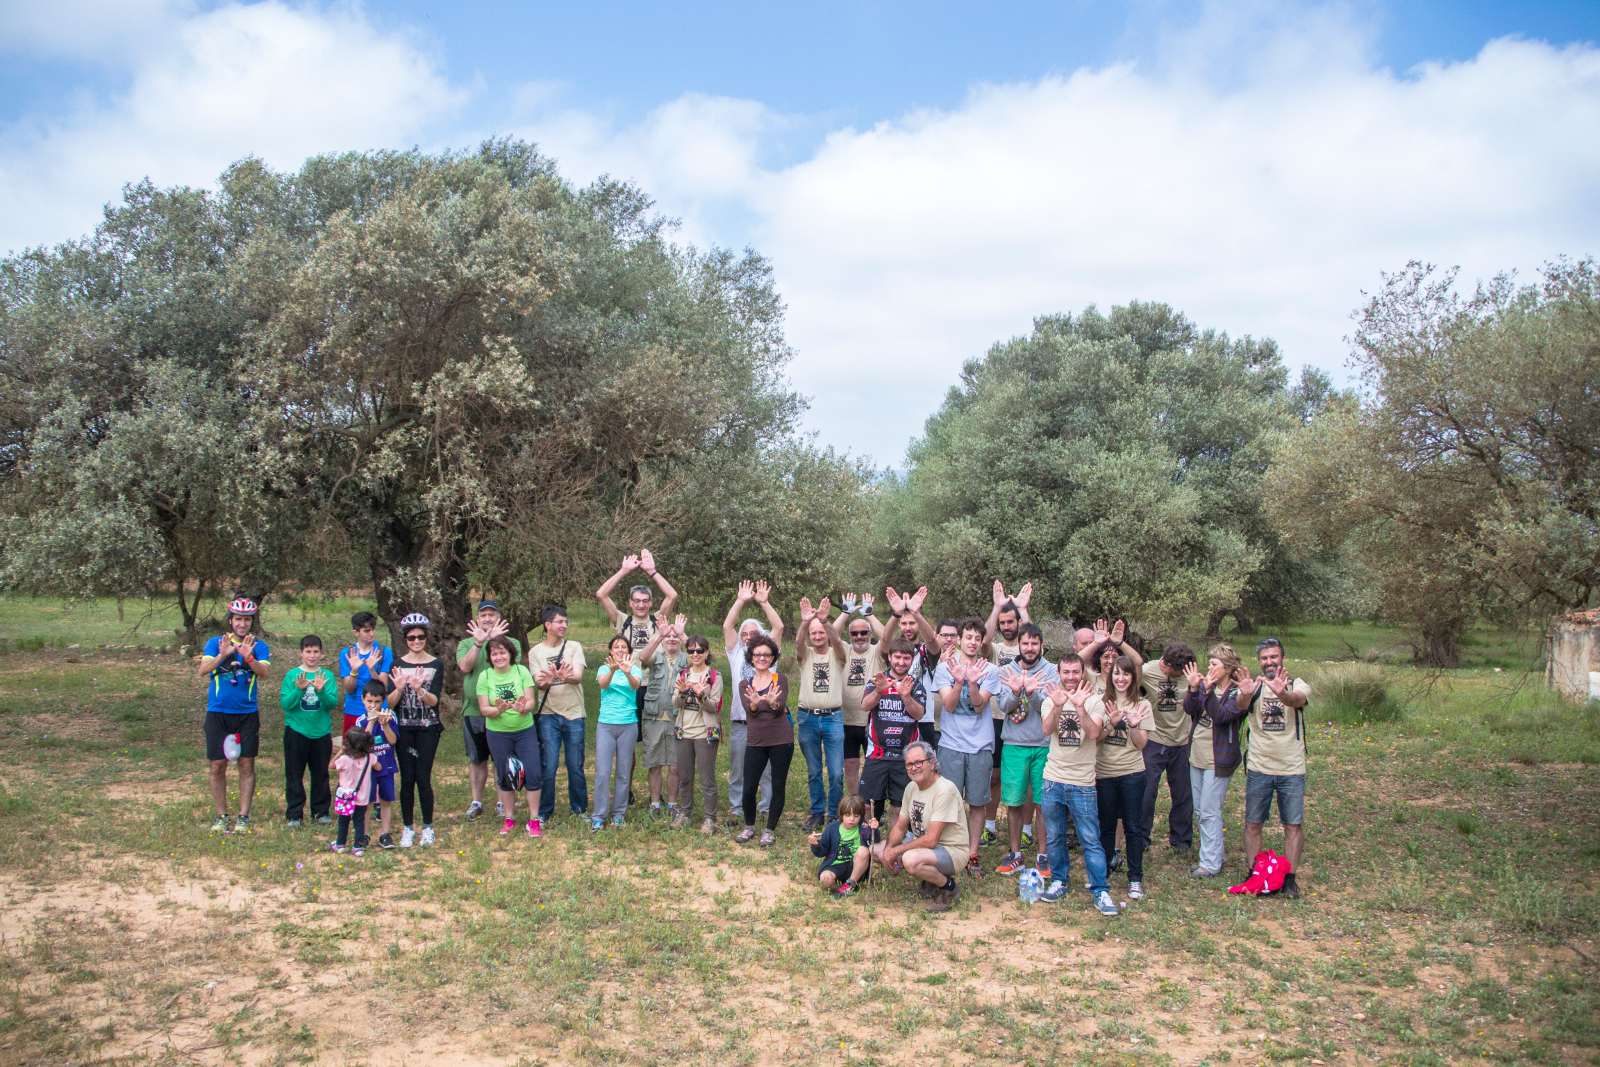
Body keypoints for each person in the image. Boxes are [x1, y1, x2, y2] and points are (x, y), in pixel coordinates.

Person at [1038, 655, 1120, 915]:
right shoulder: (1052, 697)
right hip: (1053, 779)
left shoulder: (1094, 700)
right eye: (1066, 672)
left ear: (1083, 672)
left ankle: (1100, 889)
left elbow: (1094, 734)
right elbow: (1046, 728)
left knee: (1089, 839)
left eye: (1075, 671)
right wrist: (1059, 706)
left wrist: (1081, 708)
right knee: (1055, 836)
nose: (1071, 676)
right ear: (1059, 673)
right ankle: (1059, 880)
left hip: (1083, 782)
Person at [1241, 637, 1312, 898]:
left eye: (1274, 657)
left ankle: (1290, 878)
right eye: (1264, 658)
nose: (1269, 662)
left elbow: (1297, 699)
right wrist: (1246, 695)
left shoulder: (1296, 684)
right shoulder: (1253, 686)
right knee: (1253, 823)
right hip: (1260, 766)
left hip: (1291, 768)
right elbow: (1240, 706)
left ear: (1282, 658)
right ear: (1259, 661)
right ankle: (1255, 873)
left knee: (1292, 824)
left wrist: (1282, 693)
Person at [931, 617, 1003, 876]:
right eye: (968, 637)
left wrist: (973, 682)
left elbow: (979, 705)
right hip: (950, 744)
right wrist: (959, 680)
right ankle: (951, 849)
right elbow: (949, 706)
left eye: (977, 638)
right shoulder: (944, 668)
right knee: (950, 800)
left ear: (983, 641)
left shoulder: (991, 671)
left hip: (980, 746)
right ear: (959, 639)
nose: (973, 642)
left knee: (977, 802)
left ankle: (972, 854)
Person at [870, 740, 970, 913]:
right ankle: (931, 881)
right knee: (876, 850)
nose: (914, 767)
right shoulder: (911, 788)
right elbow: (901, 826)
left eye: (919, 762)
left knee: (909, 859)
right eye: (909, 764)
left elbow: (931, 840)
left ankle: (948, 888)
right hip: (927, 847)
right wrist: (889, 849)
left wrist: (897, 852)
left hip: (952, 851)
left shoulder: (945, 790)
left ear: (932, 763)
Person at [198, 597, 271, 834]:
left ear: (252, 621)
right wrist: (223, 655)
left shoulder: (259, 645)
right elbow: (203, 671)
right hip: (218, 712)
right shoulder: (215, 643)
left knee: (246, 765)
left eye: (246, 619)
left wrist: (248, 657)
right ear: (231, 620)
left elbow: (265, 673)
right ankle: (221, 816)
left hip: (247, 713)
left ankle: (243, 816)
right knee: (217, 766)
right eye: (238, 619)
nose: (242, 624)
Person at [993, 622, 1057, 878]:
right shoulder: (1007, 670)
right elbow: (1004, 705)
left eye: (1034, 643)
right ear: (1018, 645)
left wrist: (1031, 694)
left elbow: (1051, 705)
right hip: (1015, 744)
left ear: (1041, 645)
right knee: (1014, 801)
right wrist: (1016, 689)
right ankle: (1016, 854)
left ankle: (1043, 855)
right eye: (1025, 643)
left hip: (1043, 745)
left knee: (1043, 804)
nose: (1030, 648)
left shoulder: (1051, 671)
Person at [1183, 644, 1250, 879]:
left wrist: (1208, 692)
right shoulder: (1204, 686)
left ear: (1228, 668)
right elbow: (1189, 709)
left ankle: (1210, 864)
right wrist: (1194, 689)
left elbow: (1221, 717)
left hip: (1218, 759)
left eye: (1214, 664)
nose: (1209, 667)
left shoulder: (1237, 693)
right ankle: (1215, 856)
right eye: (1209, 663)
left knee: (1210, 811)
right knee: (1201, 810)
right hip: (1197, 755)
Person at [722, 581, 784, 823]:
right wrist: (740, 600)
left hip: (767, 721)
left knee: (767, 770)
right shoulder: (735, 653)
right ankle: (736, 809)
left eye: (752, 634)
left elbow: (778, 626)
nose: (747, 637)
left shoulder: (769, 654)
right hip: (741, 722)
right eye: (744, 634)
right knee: (738, 770)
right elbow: (728, 625)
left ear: (762, 638)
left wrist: (764, 602)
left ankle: (766, 807)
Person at [1095, 656, 1155, 900]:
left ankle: (1135, 878)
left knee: (1132, 827)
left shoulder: (1143, 705)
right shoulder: (1101, 702)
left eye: (1126, 674)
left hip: (1132, 773)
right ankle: (1105, 874)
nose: (1120, 678)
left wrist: (1134, 725)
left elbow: (1141, 745)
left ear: (1133, 677)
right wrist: (1110, 723)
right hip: (1104, 773)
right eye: (1116, 673)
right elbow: (1095, 737)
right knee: (1107, 827)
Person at [981, 582, 1034, 843]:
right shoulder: (996, 651)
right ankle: (989, 826)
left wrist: (1023, 609)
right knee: (994, 776)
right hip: (995, 717)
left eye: (1010, 621)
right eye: (1003, 622)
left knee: (1025, 778)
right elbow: (983, 641)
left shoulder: (1028, 648)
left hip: (1023, 719)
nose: (1006, 626)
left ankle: (1026, 830)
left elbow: (1035, 640)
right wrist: (996, 607)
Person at [456, 600, 519, 820]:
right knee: (477, 758)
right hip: (474, 712)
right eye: (483, 615)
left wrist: (495, 641)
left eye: (492, 615)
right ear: (477, 619)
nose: (487, 619)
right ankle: (476, 802)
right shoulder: (466, 643)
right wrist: (478, 644)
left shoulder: (511, 643)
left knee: (500, 757)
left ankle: (503, 802)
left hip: (503, 712)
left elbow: (510, 665)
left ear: (498, 618)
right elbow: (465, 667)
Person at [386, 613, 444, 848]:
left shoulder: (435, 664)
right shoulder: (396, 665)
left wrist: (420, 689)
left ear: (426, 638)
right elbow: (389, 704)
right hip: (404, 728)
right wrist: (399, 688)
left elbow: (434, 701)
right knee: (407, 778)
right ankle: (408, 828)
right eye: (412, 638)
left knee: (423, 777)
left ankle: (428, 827)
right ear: (405, 639)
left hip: (428, 728)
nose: (416, 641)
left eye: (421, 637)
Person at [477, 634, 543, 838]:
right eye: (494, 653)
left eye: (502, 652)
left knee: (533, 772)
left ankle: (533, 820)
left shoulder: (521, 671)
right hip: (498, 733)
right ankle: (509, 818)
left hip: (524, 731)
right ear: (490, 656)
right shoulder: (485, 676)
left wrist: (523, 707)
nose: (498, 657)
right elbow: (484, 709)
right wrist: (500, 710)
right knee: (504, 775)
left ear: (510, 654)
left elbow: (531, 703)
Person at [529, 604, 588, 825]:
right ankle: (544, 811)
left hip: (574, 714)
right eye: (560, 622)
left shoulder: (573, 646)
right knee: (549, 766)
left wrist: (563, 676)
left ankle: (580, 809)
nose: (564, 625)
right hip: (548, 716)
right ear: (547, 625)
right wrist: (549, 680)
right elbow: (540, 684)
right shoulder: (535, 652)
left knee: (575, 765)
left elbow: (578, 677)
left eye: (566, 621)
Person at [859, 638, 926, 825]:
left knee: (901, 808)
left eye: (906, 658)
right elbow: (865, 706)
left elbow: (919, 714)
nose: (901, 662)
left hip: (905, 757)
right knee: (867, 806)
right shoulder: (877, 680)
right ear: (889, 657)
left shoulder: (915, 685)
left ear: (911, 660)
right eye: (897, 657)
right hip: (877, 754)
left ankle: (896, 850)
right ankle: (870, 846)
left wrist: (906, 696)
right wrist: (879, 691)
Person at [795, 596, 847, 831]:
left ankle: (834, 813)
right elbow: (797, 643)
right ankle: (817, 812)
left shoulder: (838, 654)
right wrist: (806, 622)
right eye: (813, 633)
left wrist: (826, 622)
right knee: (814, 770)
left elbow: (837, 640)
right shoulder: (805, 656)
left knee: (836, 772)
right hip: (807, 718)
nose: (817, 636)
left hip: (833, 718)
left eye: (821, 632)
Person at [735, 634, 791, 846]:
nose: (762, 658)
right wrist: (757, 704)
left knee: (778, 785)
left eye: (767, 654)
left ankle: (769, 830)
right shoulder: (745, 684)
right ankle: (749, 826)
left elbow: (780, 708)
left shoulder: (780, 680)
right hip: (756, 741)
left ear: (773, 657)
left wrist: (772, 703)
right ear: (751, 658)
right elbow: (750, 712)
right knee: (749, 786)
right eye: (758, 654)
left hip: (781, 739)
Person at [1141, 643, 1197, 856]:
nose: (1163, 666)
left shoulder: (1190, 675)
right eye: (1163, 661)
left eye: (1168, 667)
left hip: (1182, 741)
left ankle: (1181, 840)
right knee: (1147, 791)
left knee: (1183, 793)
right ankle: (1142, 836)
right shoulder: (1149, 670)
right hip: (1154, 739)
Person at [280, 633, 338, 827]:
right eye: (308, 651)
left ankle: (321, 812)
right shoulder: (292, 675)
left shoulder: (327, 676)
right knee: (294, 773)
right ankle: (294, 814)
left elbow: (331, 704)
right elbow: (285, 705)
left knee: (320, 774)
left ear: (321, 653)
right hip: (296, 731)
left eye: (315, 651)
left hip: (321, 732)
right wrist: (299, 690)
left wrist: (321, 691)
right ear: (300, 653)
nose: (312, 655)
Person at [672, 631, 725, 832]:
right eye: (691, 650)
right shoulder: (683, 675)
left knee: (707, 778)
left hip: (705, 734)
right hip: (683, 732)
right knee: (685, 777)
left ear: (707, 652)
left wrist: (701, 695)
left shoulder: (714, 676)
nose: (695, 654)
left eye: (699, 650)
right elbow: (675, 702)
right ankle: (685, 814)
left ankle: (710, 819)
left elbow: (714, 706)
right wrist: (685, 692)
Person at [636, 613, 687, 819]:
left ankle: (673, 805)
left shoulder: (687, 658)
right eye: (669, 636)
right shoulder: (656, 655)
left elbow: (703, 655)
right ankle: (655, 804)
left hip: (678, 719)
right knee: (655, 764)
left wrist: (683, 635)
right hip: (654, 718)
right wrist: (658, 636)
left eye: (675, 636)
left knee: (675, 766)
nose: (672, 639)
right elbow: (642, 658)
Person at [593, 634, 644, 830]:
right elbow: (603, 684)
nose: (620, 650)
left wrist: (628, 672)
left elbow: (635, 686)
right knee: (603, 773)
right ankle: (599, 815)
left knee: (623, 773)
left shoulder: (635, 669)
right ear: (610, 651)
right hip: (606, 724)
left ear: (629, 652)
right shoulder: (604, 669)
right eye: (616, 647)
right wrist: (613, 671)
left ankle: (619, 814)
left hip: (628, 725)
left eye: (624, 647)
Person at [837, 597, 883, 800]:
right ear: (849, 636)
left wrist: (870, 615)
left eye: (864, 632)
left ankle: (876, 804)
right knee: (851, 765)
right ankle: (856, 802)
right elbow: (831, 634)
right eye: (854, 633)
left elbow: (888, 636)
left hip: (872, 719)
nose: (859, 636)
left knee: (874, 765)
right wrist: (846, 613)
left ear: (870, 634)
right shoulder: (843, 651)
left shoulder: (877, 652)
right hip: (846, 720)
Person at [351, 681, 399, 847]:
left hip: (386, 764)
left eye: (377, 702)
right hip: (367, 770)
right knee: (367, 802)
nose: (373, 705)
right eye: (369, 701)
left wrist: (384, 723)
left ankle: (385, 834)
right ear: (363, 700)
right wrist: (371, 722)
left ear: (383, 701)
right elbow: (363, 745)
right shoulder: (360, 722)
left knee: (386, 800)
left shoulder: (390, 717)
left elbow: (392, 741)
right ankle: (363, 835)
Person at [809, 794, 878, 897]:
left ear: (861, 816)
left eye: (856, 816)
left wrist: (874, 830)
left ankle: (851, 884)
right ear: (841, 814)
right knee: (825, 879)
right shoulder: (832, 828)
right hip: (835, 866)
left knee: (863, 851)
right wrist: (816, 844)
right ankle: (840, 888)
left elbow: (875, 842)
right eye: (847, 815)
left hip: (855, 866)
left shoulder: (864, 827)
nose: (851, 819)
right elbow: (822, 851)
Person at [338, 611, 393, 735]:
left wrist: (372, 669)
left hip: (378, 708)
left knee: (378, 747)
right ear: (356, 633)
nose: (372, 634)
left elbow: (382, 687)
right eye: (367, 631)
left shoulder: (384, 652)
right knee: (352, 748)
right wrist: (354, 671)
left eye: (373, 629)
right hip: (354, 708)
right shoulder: (347, 653)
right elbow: (349, 689)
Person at [329, 726, 378, 855]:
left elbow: (330, 766)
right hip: (362, 797)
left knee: (343, 821)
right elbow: (378, 767)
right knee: (359, 821)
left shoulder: (345, 760)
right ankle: (358, 846)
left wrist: (340, 752)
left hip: (346, 797)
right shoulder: (369, 758)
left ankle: (340, 844)